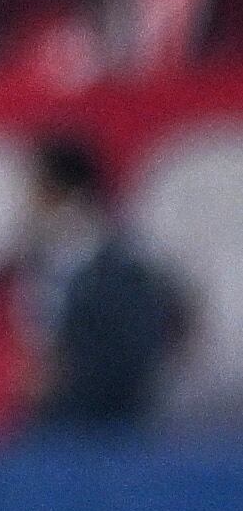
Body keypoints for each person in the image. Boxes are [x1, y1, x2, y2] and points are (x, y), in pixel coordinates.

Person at [19, 132, 186, 433]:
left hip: (103, 425)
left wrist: (71, 381)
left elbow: (137, 348)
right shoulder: (47, 255)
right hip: (61, 419)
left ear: (59, 188)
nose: (28, 197)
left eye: (35, 185)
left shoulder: (119, 266)